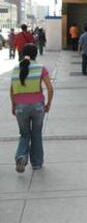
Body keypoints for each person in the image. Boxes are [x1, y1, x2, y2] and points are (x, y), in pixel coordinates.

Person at [10, 43, 54, 173]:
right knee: (36, 134)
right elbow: (50, 89)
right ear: (36, 54)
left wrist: (13, 105)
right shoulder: (41, 68)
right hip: (38, 107)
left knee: (24, 134)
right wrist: (48, 105)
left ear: (23, 54)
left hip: (20, 107)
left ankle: (21, 156)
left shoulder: (16, 69)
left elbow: (12, 90)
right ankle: (37, 164)